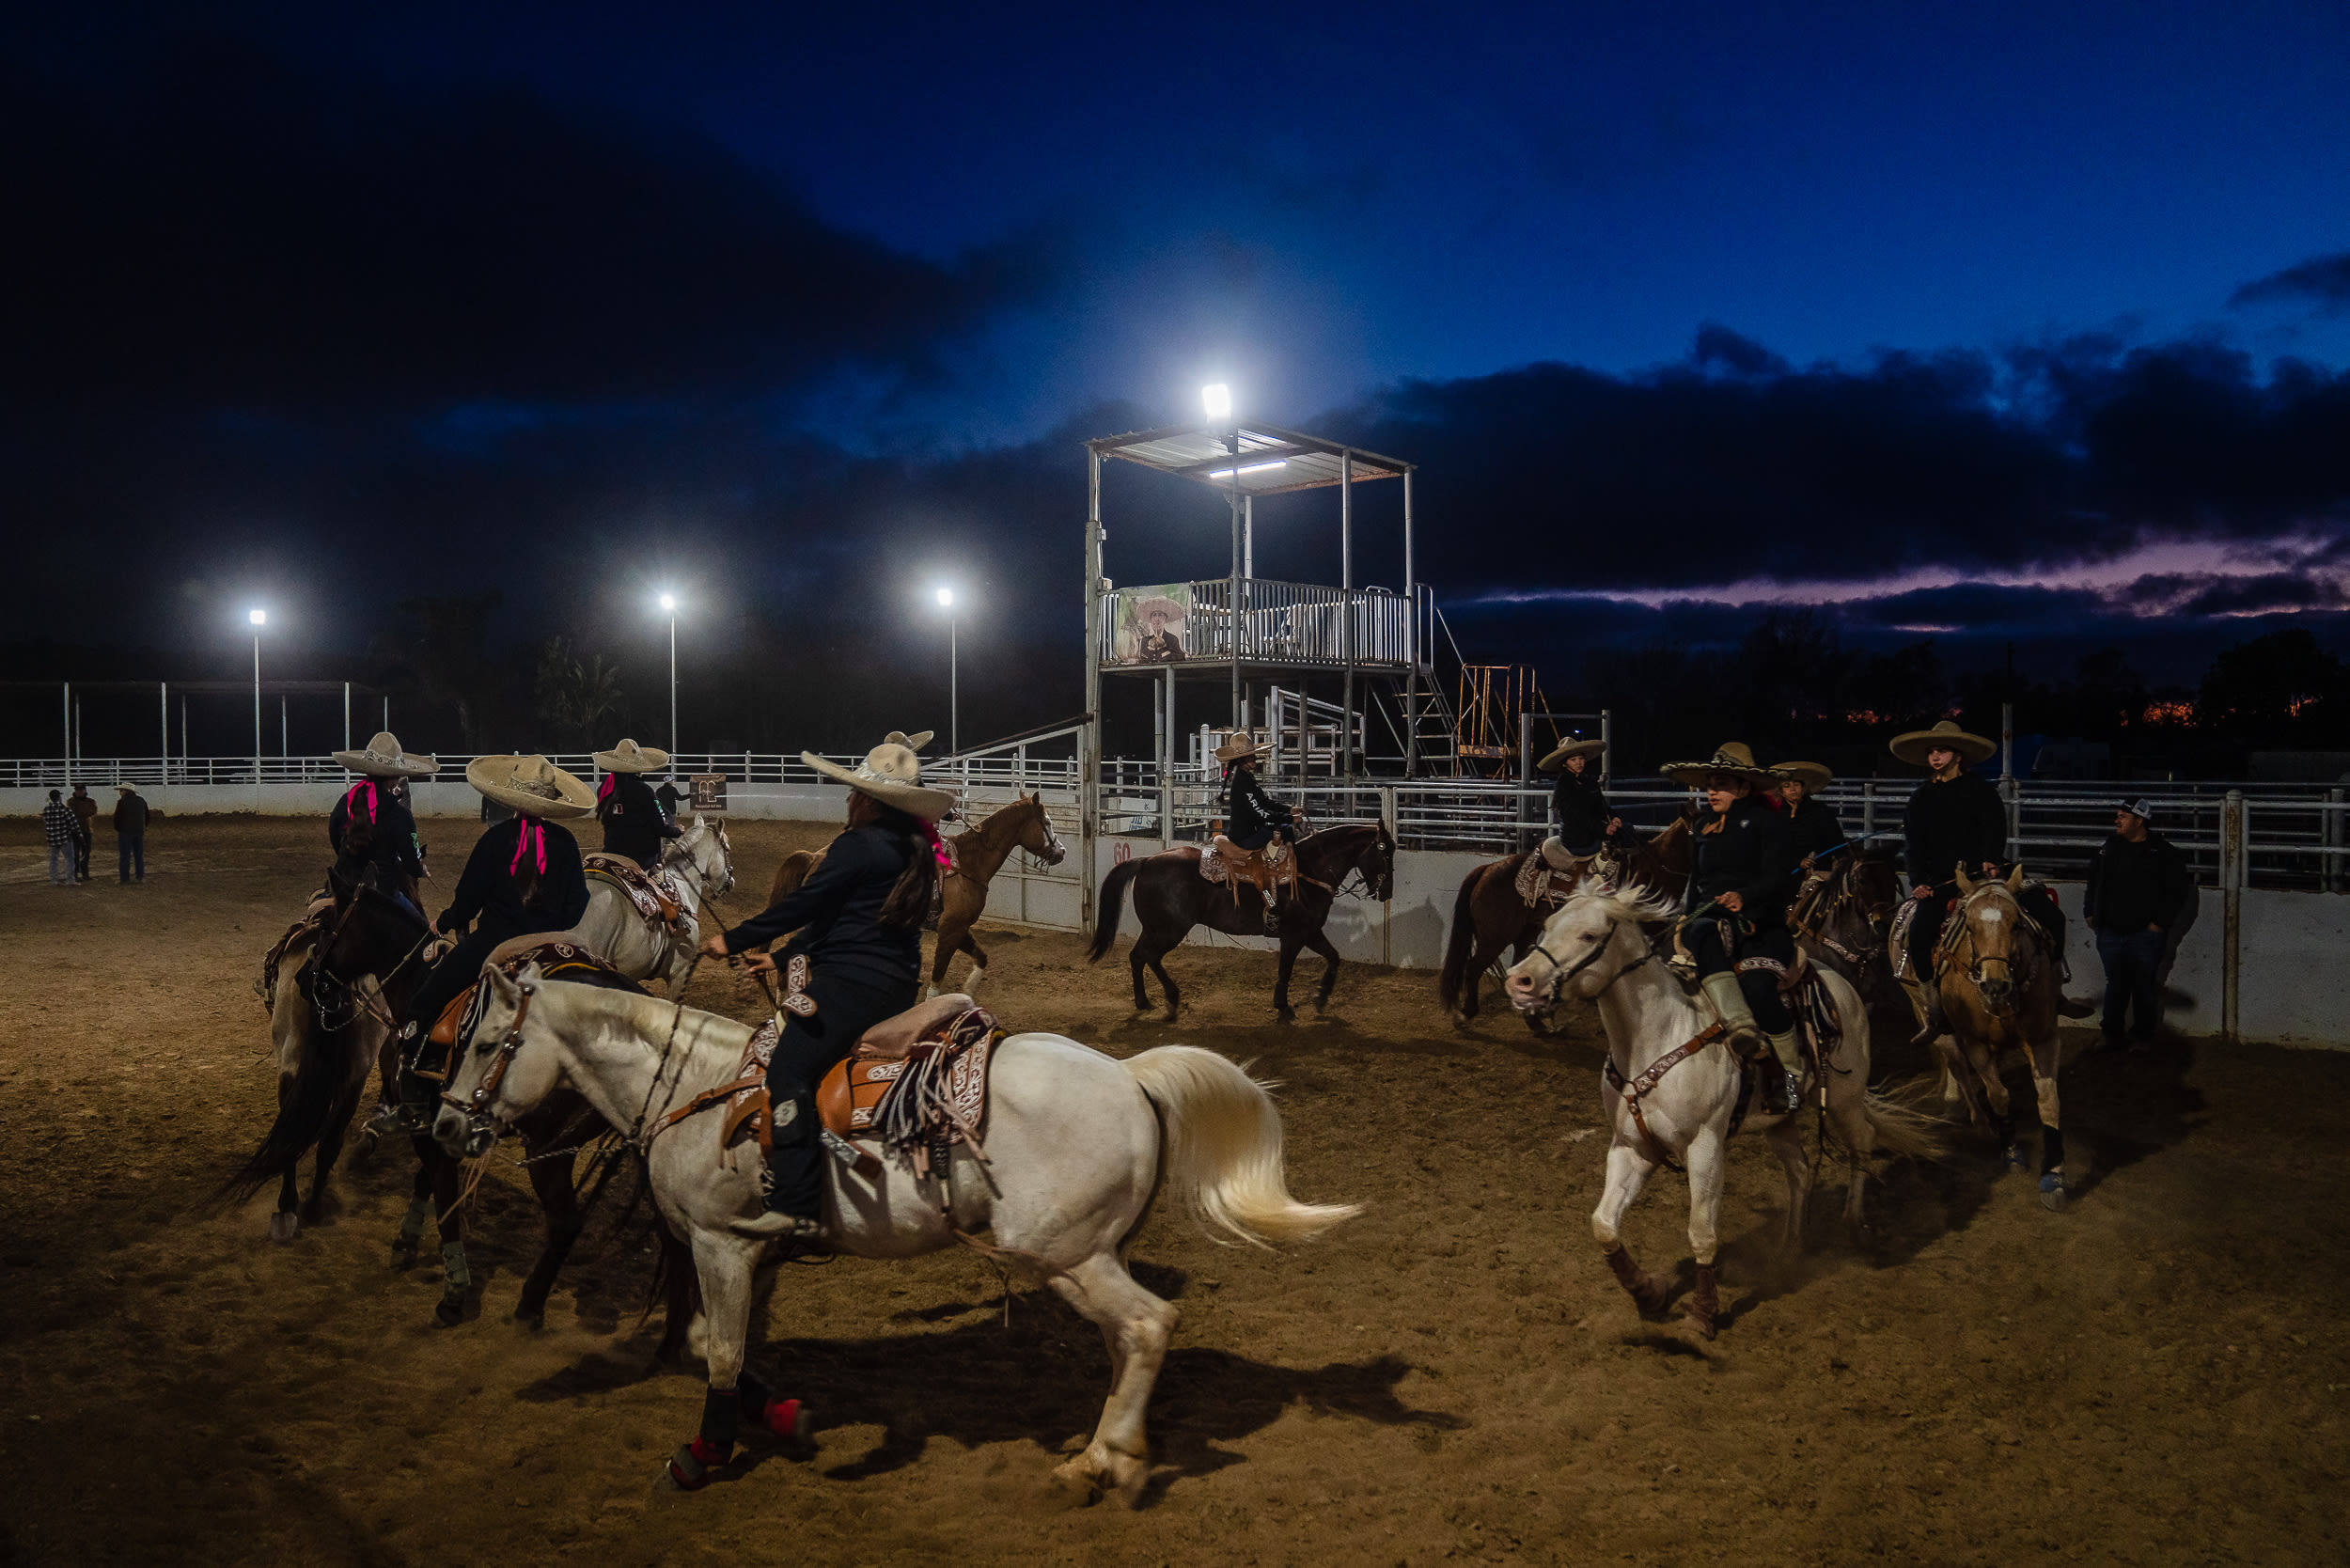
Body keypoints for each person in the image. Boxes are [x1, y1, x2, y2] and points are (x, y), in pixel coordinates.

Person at [697, 737, 952, 1240]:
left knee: (789, 1067)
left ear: (870, 801)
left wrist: (735, 938)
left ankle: (797, 1203)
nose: (848, 800)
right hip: (894, 983)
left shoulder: (857, 845)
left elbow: (806, 906)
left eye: (854, 793)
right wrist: (782, 955)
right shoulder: (915, 849)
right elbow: (840, 919)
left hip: (850, 985)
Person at [368, 755, 596, 1137]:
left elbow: (469, 900)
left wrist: (447, 920)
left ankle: (413, 1103)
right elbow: (578, 905)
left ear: (510, 799)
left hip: (497, 942)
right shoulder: (567, 842)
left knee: (423, 1002)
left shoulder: (494, 841)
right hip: (553, 944)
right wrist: (549, 927)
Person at [1891, 719, 2087, 1041]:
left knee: (2051, 915)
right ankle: (1934, 1010)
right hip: (1941, 881)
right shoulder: (1920, 798)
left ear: (1958, 755)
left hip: (1987, 873)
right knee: (1919, 934)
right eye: (1932, 752)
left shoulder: (1981, 790)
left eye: (1942, 750)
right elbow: (1914, 845)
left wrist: (1990, 858)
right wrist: (1918, 881)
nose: (1936, 756)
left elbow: (1994, 827)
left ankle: (2056, 990)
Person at [1664, 743, 1804, 1113]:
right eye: (1709, 784)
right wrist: (1686, 914)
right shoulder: (1702, 827)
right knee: (1694, 940)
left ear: (1743, 787)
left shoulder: (1768, 823)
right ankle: (1733, 1035)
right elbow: (1697, 880)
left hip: (1761, 927)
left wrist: (1746, 896)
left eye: (1721, 783)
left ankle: (1791, 1073)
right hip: (1710, 923)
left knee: (1759, 987)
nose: (1711, 791)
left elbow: (1781, 878)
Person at [2084, 797, 2191, 1053]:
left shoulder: (2164, 853)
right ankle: (2117, 1034)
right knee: (2120, 984)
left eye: (2123, 816)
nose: (2117, 820)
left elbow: (2176, 892)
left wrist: (2158, 924)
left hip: (2141, 933)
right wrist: (2090, 911)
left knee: (2139, 986)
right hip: (2113, 930)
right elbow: (2093, 880)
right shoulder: (2110, 847)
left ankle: (2138, 1035)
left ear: (2139, 821)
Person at [328, 730, 436, 911]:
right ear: (395, 778)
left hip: (343, 885)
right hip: (383, 893)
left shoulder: (345, 802)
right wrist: (420, 869)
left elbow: (335, 837)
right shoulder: (401, 815)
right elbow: (410, 863)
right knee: (423, 931)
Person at [1215, 731, 1302, 933]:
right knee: (1286, 830)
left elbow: (1264, 803)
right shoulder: (1243, 782)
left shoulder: (1246, 779)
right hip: (1245, 837)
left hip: (1248, 831)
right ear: (1243, 759)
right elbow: (1261, 812)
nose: (1255, 758)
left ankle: (1286, 873)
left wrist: (1289, 810)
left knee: (1284, 829)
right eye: (1252, 756)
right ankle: (1275, 898)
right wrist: (1289, 819)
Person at [592, 737, 683, 870]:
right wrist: (677, 831)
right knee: (663, 878)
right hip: (641, 858)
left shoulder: (605, 788)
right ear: (639, 767)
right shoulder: (644, 791)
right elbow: (660, 828)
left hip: (610, 853)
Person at [1539, 737, 1621, 857]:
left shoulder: (1589, 781)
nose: (1578, 762)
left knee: (1627, 836)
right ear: (1565, 764)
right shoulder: (1563, 785)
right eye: (1573, 760)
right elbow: (1573, 816)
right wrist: (1603, 828)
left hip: (1594, 832)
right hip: (1576, 839)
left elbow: (1601, 805)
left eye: (1581, 758)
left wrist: (1613, 818)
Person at [112, 783, 149, 884]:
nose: (120, 792)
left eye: (121, 790)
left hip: (125, 831)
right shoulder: (141, 801)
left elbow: (117, 818)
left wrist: (119, 829)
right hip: (139, 831)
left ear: (125, 791)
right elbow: (147, 815)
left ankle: (124, 878)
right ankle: (140, 876)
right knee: (138, 855)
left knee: (125, 855)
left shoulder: (122, 802)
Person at [41, 789, 76, 886]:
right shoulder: (65, 809)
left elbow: (46, 822)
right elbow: (73, 823)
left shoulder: (46, 810)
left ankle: (54, 880)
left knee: (53, 859)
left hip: (52, 838)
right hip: (65, 838)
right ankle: (70, 880)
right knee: (69, 859)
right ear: (59, 798)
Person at [68, 782, 97, 883]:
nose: (79, 792)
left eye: (81, 790)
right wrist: (84, 813)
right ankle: (79, 873)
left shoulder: (71, 802)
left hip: (84, 830)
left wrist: (80, 814)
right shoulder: (89, 802)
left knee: (85, 852)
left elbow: (91, 811)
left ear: (84, 790)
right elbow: (90, 811)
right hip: (79, 830)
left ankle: (82, 873)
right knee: (77, 853)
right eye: (78, 790)